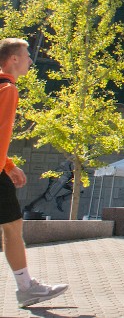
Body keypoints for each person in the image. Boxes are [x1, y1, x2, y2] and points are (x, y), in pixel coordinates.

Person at [0, 39, 68, 308]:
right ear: (13, 59)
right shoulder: (7, 89)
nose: (30, 60)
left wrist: (9, 166)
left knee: (12, 225)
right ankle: (26, 288)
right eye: (26, 55)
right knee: (13, 227)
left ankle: (26, 286)